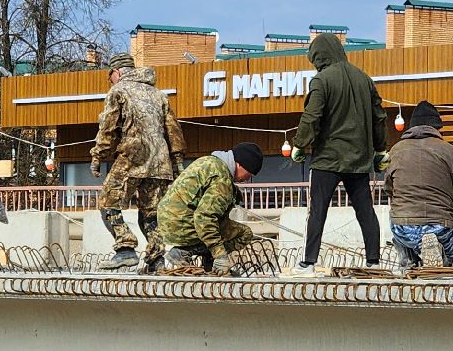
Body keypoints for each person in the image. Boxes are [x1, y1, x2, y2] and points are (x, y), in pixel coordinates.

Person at [290, 33, 388, 273]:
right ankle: (373, 261)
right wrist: (380, 150)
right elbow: (379, 117)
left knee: (317, 211)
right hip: (359, 159)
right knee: (365, 210)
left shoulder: (321, 81)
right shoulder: (364, 79)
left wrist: (300, 144)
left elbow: (311, 117)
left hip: (327, 158)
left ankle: (308, 262)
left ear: (319, 56)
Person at [90, 52, 185, 270]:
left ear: (117, 72)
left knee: (107, 201)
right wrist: (178, 161)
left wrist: (97, 155)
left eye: (110, 76)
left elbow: (108, 129)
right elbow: (174, 131)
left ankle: (125, 249)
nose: (109, 81)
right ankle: (156, 259)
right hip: (160, 163)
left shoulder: (119, 91)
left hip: (133, 155)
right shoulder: (159, 95)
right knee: (151, 214)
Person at [383, 100, 453, 267]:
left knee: (397, 217)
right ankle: (443, 254)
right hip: (440, 226)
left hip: (404, 226)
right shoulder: (452, 152)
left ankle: (407, 252)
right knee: (447, 263)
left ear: (411, 127)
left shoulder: (395, 151)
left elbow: (389, 189)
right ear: (437, 128)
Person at [158, 142, 264, 273]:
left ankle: (208, 258)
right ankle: (185, 252)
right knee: (244, 234)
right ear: (240, 164)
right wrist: (220, 255)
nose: (247, 179)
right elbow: (204, 218)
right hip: (182, 224)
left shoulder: (209, 161)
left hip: (170, 219)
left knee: (230, 228)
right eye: (249, 174)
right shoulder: (222, 179)